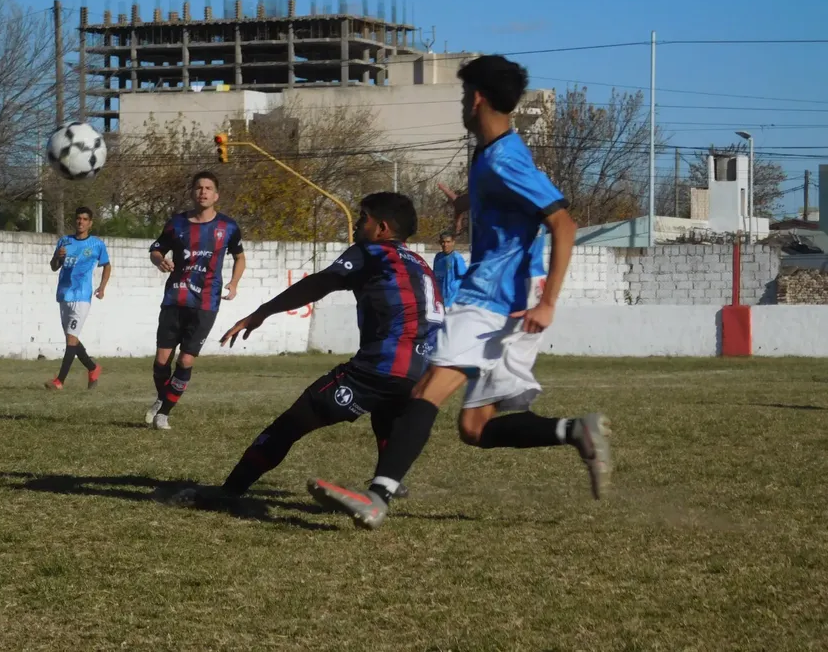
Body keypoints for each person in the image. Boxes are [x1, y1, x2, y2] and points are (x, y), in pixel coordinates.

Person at [308, 54, 613, 529]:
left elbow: (563, 223)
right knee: (474, 428)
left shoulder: (505, 159)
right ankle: (576, 431)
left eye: (460, 96)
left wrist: (548, 301)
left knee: (429, 388)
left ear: (475, 99)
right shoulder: (488, 156)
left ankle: (378, 497)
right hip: (508, 298)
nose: (460, 104)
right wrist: (469, 204)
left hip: (496, 295)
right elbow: (509, 196)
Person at [204, 192, 442, 501]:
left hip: (381, 365)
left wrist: (262, 312)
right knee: (387, 414)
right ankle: (385, 486)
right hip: (424, 372)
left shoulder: (372, 252)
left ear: (382, 228)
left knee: (291, 424)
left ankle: (228, 492)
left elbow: (320, 282)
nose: (356, 223)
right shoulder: (420, 262)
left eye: (363, 217)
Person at [144, 171, 246, 430]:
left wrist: (234, 283)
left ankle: (164, 413)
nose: (203, 191)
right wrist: (159, 260)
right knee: (161, 360)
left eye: (208, 188)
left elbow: (240, 257)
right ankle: (161, 397)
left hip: (206, 302)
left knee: (186, 360)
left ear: (216, 195)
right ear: (192, 192)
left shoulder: (228, 227)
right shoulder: (176, 223)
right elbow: (156, 249)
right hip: (174, 298)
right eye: (199, 187)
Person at [45, 206, 110, 390]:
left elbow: (107, 265)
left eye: (84, 219)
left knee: (71, 340)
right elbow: (53, 266)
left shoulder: (96, 245)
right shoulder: (64, 242)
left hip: (82, 297)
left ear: (90, 223)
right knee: (71, 339)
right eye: (78, 218)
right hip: (64, 295)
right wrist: (58, 257)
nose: (80, 222)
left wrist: (102, 287)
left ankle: (59, 381)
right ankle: (93, 367)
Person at [433, 230, 467, 306]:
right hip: (439, 299)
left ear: (453, 242)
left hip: (452, 301)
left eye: (448, 242)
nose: (445, 244)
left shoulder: (457, 257)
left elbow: (465, 278)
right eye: (443, 242)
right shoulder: (438, 257)